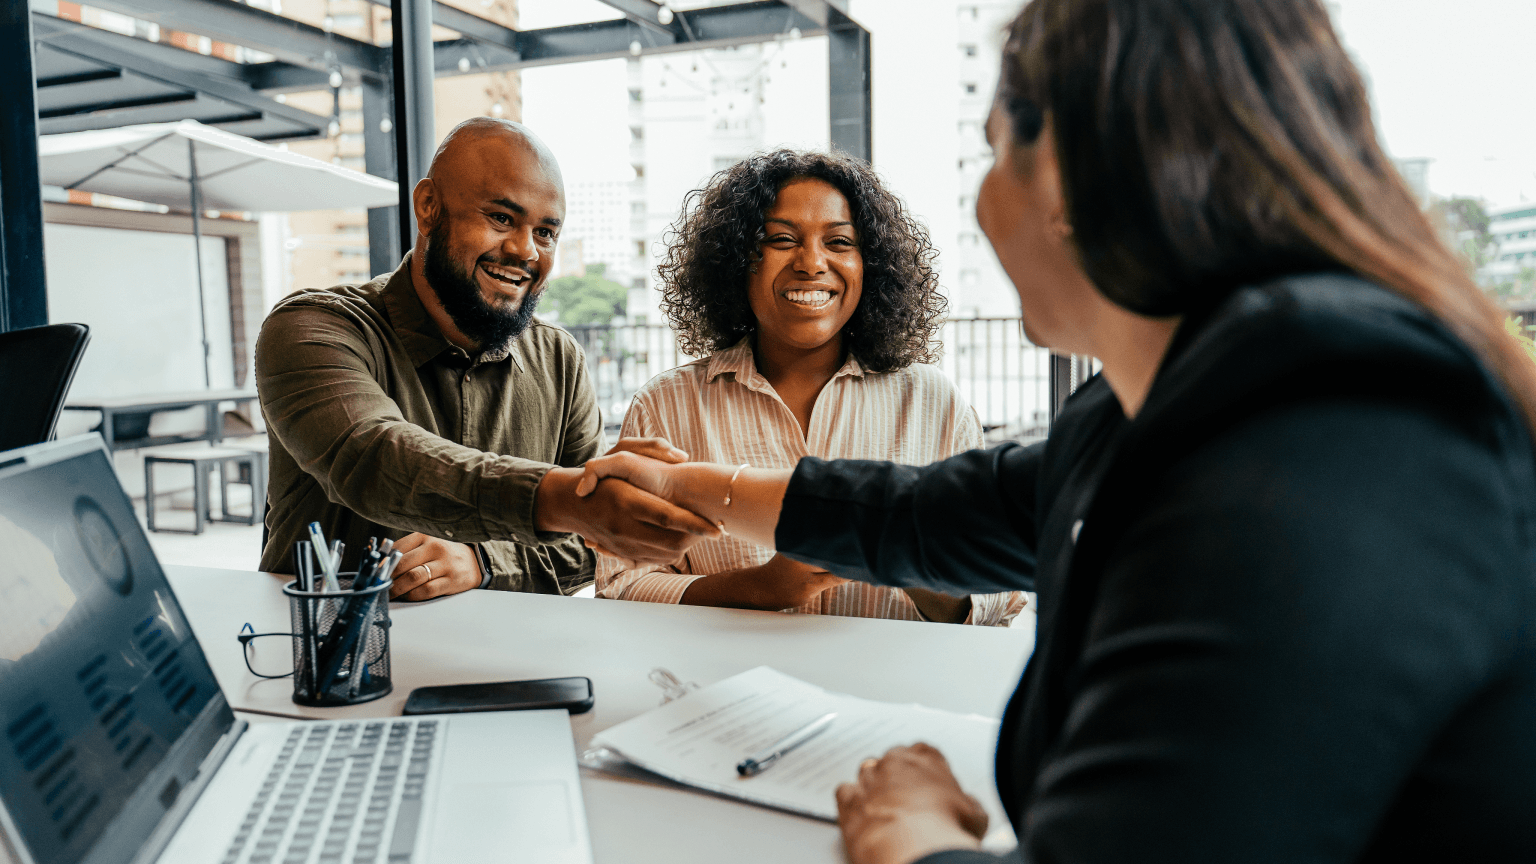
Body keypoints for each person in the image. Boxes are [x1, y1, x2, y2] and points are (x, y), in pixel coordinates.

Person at [573, 1, 1536, 861]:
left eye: (995, 150)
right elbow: (943, 512)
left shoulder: (1319, 452)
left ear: (1076, 178)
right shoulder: (1155, 402)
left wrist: (910, 839)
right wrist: (696, 487)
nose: (987, 199)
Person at [255, 117, 716, 601]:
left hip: (511, 663)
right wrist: (565, 500)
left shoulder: (559, 358)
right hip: (336, 658)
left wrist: (485, 562)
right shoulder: (313, 327)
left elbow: (595, 545)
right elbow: (374, 459)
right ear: (428, 206)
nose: (524, 250)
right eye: (501, 219)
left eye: (545, 232)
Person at [597, 149, 1025, 625]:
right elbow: (621, 585)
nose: (811, 262)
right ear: (738, 260)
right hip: (723, 689)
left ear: (871, 266)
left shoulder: (933, 405)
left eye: (840, 242)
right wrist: (759, 589)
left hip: (893, 692)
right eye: (781, 239)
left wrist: (898, 550)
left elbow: (998, 598)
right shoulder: (666, 406)